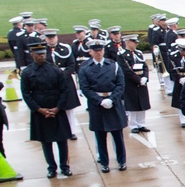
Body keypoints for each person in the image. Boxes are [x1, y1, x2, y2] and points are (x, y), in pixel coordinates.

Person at [20, 43, 74, 178]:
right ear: (32, 55)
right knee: (46, 141)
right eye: (38, 54)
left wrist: (57, 108)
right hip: (40, 110)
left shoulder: (55, 70)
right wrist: (39, 109)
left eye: (43, 53)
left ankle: (64, 166)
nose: (42, 56)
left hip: (56, 108)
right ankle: (51, 167)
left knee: (62, 140)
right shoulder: (27, 72)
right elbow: (26, 93)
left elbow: (64, 90)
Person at [78, 40, 128, 172]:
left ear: (104, 51)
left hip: (113, 102)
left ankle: (122, 161)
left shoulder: (113, 65)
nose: (99, 53)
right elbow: (85, 88)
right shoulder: (85, 68)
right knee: (100, 136)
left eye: (100, 50)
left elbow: (120, 84)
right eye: (95, 51)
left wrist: (111, 99)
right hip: (97, 104)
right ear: (90, 52)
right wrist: (100, 100)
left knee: (118, 135)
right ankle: (104, 163)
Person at [45, 28, 82, 140]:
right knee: (53, 108)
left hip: (65, 81)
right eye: (49, 38)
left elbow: (72, 65)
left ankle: (71, 131)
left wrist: (62, 75)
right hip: (50, 82)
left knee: (69, 108)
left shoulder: (65, 48)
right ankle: (58, 131)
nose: (51, 40)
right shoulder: (43, 50)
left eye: (53, 37)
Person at [118, 35, 151, 133]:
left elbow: (145, 66)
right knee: (132, 104)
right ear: (128, 42)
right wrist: (138, 80)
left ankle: (141, 124)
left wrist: (145, 77)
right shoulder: (122, 55)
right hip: (131, 83)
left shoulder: (139, 53)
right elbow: (126, 70)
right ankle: (133, 125)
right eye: (134, 42)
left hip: (142, 81)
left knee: (142, 103)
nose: (136, 44)